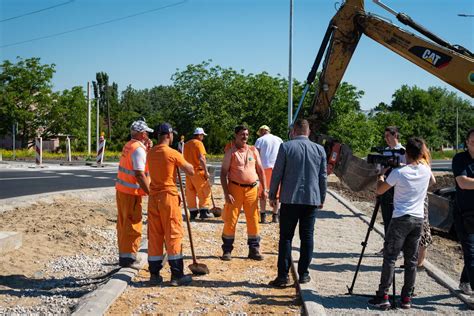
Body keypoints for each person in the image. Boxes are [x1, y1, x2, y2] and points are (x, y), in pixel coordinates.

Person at [368, 137, 432, 310]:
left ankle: (383, 296)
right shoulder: (426, 170)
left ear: (407, 154)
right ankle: (406, 299)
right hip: (418, 219)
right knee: (411, 260)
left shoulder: (399, 173)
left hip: (400, 218)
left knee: (390, 257)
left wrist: (380, 176)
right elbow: (432, 181)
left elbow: (380, 190)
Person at [268, 119, 327, 287]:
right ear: (308, 132)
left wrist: (272, 195)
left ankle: (282, 276)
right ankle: (304, 274)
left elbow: (277, 172)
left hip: (289, 199)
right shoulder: (320, 149)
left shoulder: (286, 147)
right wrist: (321, 197)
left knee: (286, 237)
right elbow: (323, 176)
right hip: (311, 200)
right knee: (307, 237)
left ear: (294, 130)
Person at [146, 122, 195, 286]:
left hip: (153, 198)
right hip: (168, 197)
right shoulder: (172, 153)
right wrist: (182, 160)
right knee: (173, 233)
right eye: (172, 134)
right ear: (168, 135)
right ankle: (176, 275)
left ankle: (154, 275)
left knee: (155, 235)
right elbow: (190, 170)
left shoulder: (151, 153)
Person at [220, 125, 267, 261]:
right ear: (236, 135)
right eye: (242, 134)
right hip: (235, 189)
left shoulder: (253, 150)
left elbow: (260, 170)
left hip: (252, 190)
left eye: (246, 134)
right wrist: (226, 193)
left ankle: (254, 249)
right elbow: (223, 174)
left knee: (253, 219)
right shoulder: (231, 152)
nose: (245, 137)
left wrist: (265, 188)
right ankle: (227, 250)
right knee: (231, 219)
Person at [115, 120, 153, 268]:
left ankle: (125, 255)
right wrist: (150, 192)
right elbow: (139, 173)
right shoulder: (138, 149)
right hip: (132, 193)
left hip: (123, 191)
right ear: (142, 133)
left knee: (124, 223)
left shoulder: (130, 146)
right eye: (147, 133)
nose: (148, 135)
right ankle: (128, 258)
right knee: (133, 224)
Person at [452, 128, 474, 296]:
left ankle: (465, 281)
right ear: (467, 142)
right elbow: (463, 183)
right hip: (464, 214)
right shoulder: (460, 159)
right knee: (471, 253)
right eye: (472, 141)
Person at [380, 126, 407, 236]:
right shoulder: (385, 151)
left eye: (388, 136)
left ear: (395, 135)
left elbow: (409, 167)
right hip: (386, 187)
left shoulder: (403, 151)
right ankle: (387, 245)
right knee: (387, 219)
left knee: (398, 219)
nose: (386, 139)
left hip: (399, 189)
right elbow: (380, 168)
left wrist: (398, 165)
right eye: (384, 136)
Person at [255, 125, 283, 224]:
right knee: (277, 193)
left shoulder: (260, 140)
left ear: (262, 131)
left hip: (264, 168)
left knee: (263, 193)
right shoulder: (279, 139)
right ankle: (275, 216)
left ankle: (263, 216)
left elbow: (256, 155)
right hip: (277, 168)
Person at [183, 128, 212, 220]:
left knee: (190, 192)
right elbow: (202, 159)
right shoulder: (199, 143)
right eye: (202, 135)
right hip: (198, 171)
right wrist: (206, 171)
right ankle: (204, 211)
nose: (203, 137)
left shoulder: (186, 144)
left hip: (188, 172)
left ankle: (193, 212)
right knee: (204, 191)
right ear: (199, 135)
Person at [417, 142, 436, 270]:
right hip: (422, 198)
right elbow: (433, 181)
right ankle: (419, 261)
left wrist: (421, 189)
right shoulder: (425, 161)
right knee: (422, 229)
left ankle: (419, 262)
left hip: (420, 200)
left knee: (422, 230)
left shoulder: (421, 163)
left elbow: (433, 180)